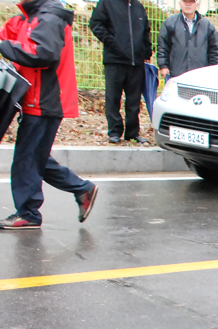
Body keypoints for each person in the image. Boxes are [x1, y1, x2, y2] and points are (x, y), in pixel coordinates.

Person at [0, 0, 98, 230]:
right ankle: (83, 189)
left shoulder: (49, 18)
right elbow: (9, 33)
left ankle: (29, 214)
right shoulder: (30, 17)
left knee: (27, 159)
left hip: (45, 99)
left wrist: (4, 46)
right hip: (36, 98)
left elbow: (43, 54)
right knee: (35, 157)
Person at [89, 0, 152, 144]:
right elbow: (96, 24)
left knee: (134, 100)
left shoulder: (138, 6)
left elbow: (145, 31)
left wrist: (146, 53)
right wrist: (112, 42)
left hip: (136, 61)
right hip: (115, 60)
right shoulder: (107, 3)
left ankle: (133, 132)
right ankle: (114, 131)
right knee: (113, 98)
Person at [156, 0, 218, 80]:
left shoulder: (207, 26)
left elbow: (214, 50)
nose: (187, 4)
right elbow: (163, 46)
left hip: (201, 76)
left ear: (197, 4)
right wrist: (163, 66)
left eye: (191, 2)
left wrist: (213, 69)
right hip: (176, 75)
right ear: (180, 3)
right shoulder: (170, 23)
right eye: (185, 1)